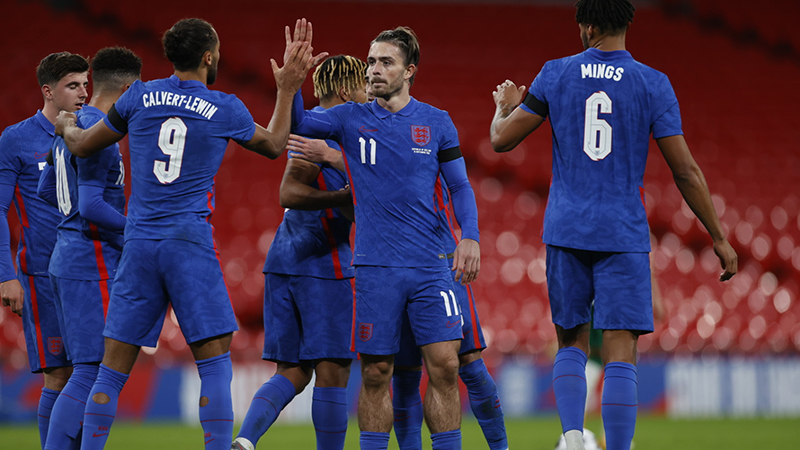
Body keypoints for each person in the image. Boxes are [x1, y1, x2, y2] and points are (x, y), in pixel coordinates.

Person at [54, 18, 323, 450]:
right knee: (214, 366)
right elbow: (275, 144)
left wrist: (67, 126)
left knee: (109, 373)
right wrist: (289, 86)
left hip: (139, 245)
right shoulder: (224, 106)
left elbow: (83, 144)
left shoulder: (138, 97)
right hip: (188, 243)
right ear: (209, 57)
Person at [489, 1, 737, 449]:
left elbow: (500, 141)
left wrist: (502, 108)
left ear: (587, 27)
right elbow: (686, 171)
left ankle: (571, 439)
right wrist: (718, 235)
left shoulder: (555, 72)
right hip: (622, 232)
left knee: (571, 342)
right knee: (622, 351)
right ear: (627, 24)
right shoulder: (653, 83)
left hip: (566, 229)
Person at [291, 26, 480, 450]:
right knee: (376, 373)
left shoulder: (436, 122)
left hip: (432, 263)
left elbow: (461, 187)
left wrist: (471, 236)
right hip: (376, 266)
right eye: (371, 61)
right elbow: (299, 123)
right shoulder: (348, 117)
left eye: (385, 62)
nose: (373, 69)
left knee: (446, 365)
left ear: (409, 70)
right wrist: (290, 86)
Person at [291, 142, 508, 450]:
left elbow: (398, 169)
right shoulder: (360, 132)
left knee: (467, 363)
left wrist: (333, 157)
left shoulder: (410, 127)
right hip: (388, 269)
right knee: (402, 374)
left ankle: (502, 447)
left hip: (440, 260)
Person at [231, 54, 368, 450]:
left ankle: (244, 440)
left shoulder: (320, 129)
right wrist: (342, 196)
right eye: (362, 86)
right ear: (346, 91)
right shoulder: (329, 135)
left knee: (292, 371)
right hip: (321, 263)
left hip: (285, 260)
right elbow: (288, 192)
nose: (368, 95)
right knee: (333, 371)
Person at [37, 47, 142, 450]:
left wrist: (70, 222)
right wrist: (138, 231)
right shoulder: (99, 132)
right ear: (130, 89)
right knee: (90, 371)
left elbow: (47, 188)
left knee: (87, 369)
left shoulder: (72, 127)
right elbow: (91, 205)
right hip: (90, 257)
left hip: (67, 255)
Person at [0, 51, 89, 448]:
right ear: (48, 91)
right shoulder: (16, 139)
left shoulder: (94, 131)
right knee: (59, 374)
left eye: (86, 84)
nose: (84, 93)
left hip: (88, 273)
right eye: (73, 85)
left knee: (88, 372)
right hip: (42, 276)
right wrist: (6, 275)